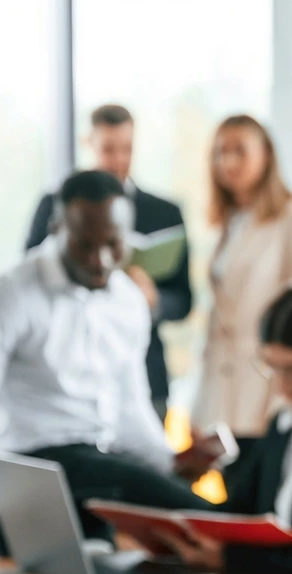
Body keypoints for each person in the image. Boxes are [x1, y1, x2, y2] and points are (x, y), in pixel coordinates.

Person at [0, 171, 216, 553]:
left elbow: (130, 409)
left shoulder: (128, 302)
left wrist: (168, 465)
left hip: (99, 467)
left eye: (113, 245)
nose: (100, 260)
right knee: (206, 519)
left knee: (157, 547)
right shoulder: (7, 294)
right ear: (57, 229)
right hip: (34, 466)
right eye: (84, 245)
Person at [156, 286, 292, 574]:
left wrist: (232, 559)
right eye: (271, 367)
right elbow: (241, 512)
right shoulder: (281, 427)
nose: (281, 386)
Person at [25, 105, 191, 422]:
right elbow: (31, 276)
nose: (118, 160)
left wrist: (153, 299)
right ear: (89, 144)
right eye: (108, 149)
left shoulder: (165, 213)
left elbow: (184, 300)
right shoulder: (54, 206)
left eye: (126, 149)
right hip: (66, 373)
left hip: (144, 374)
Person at [191, 115, 292, 491]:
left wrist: (286, 396)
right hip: (225, 400)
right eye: (220, 152)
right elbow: (217, 324)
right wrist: (201, 408)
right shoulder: (230, 224)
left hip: (271, 392)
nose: (228, 162)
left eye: (240, 151)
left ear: (266, 154)